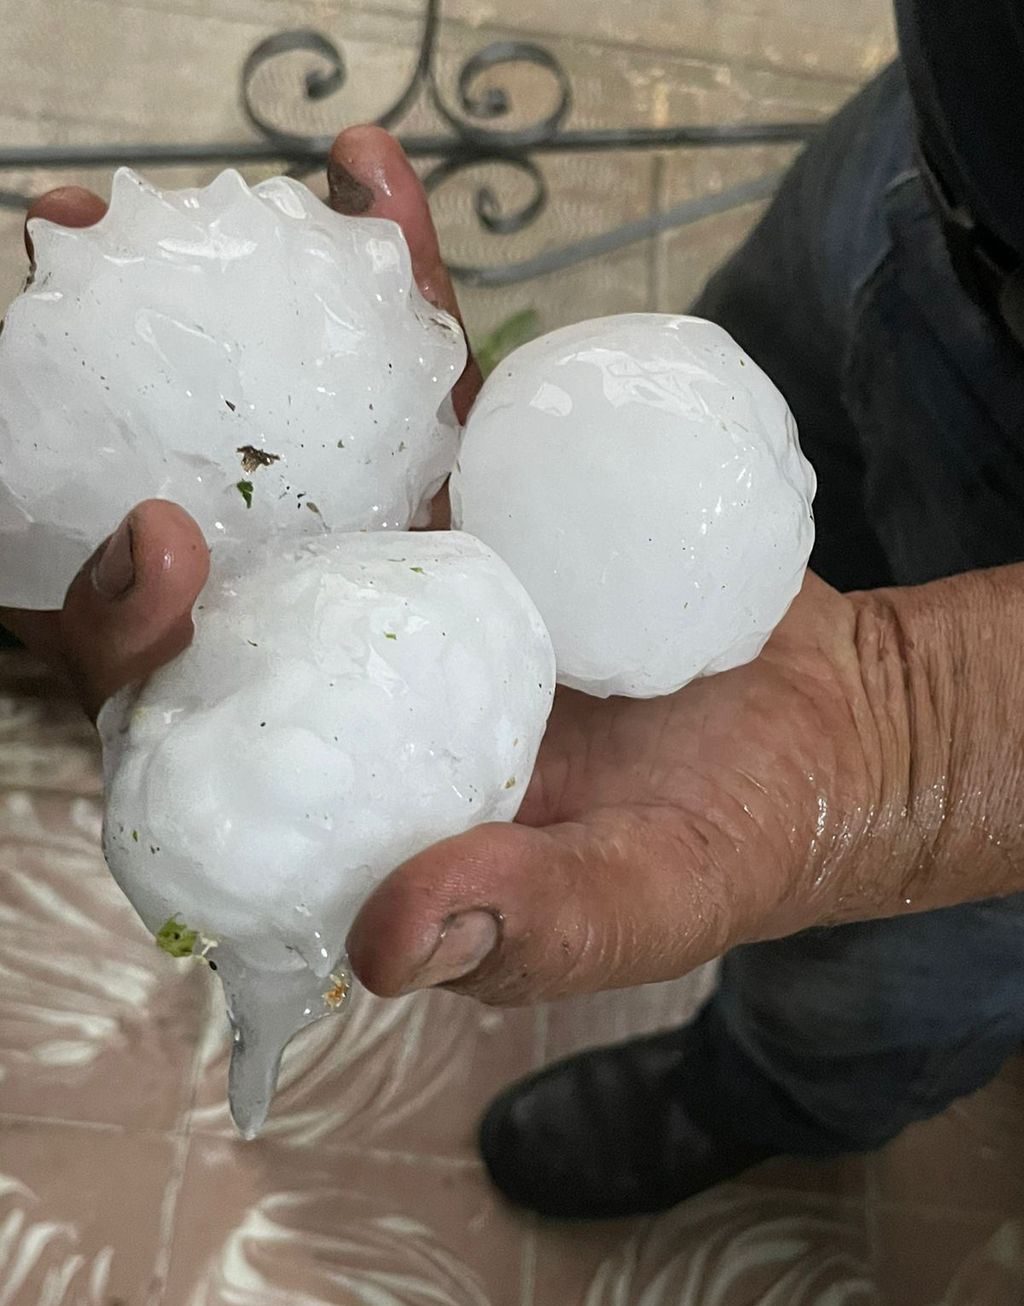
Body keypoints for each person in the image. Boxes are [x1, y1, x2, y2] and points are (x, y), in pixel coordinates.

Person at [3, 0, 1024, 1219]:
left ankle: (763, 1102)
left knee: (892, 965)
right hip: (948, 144)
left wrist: (913, 738)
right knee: (793, 352)